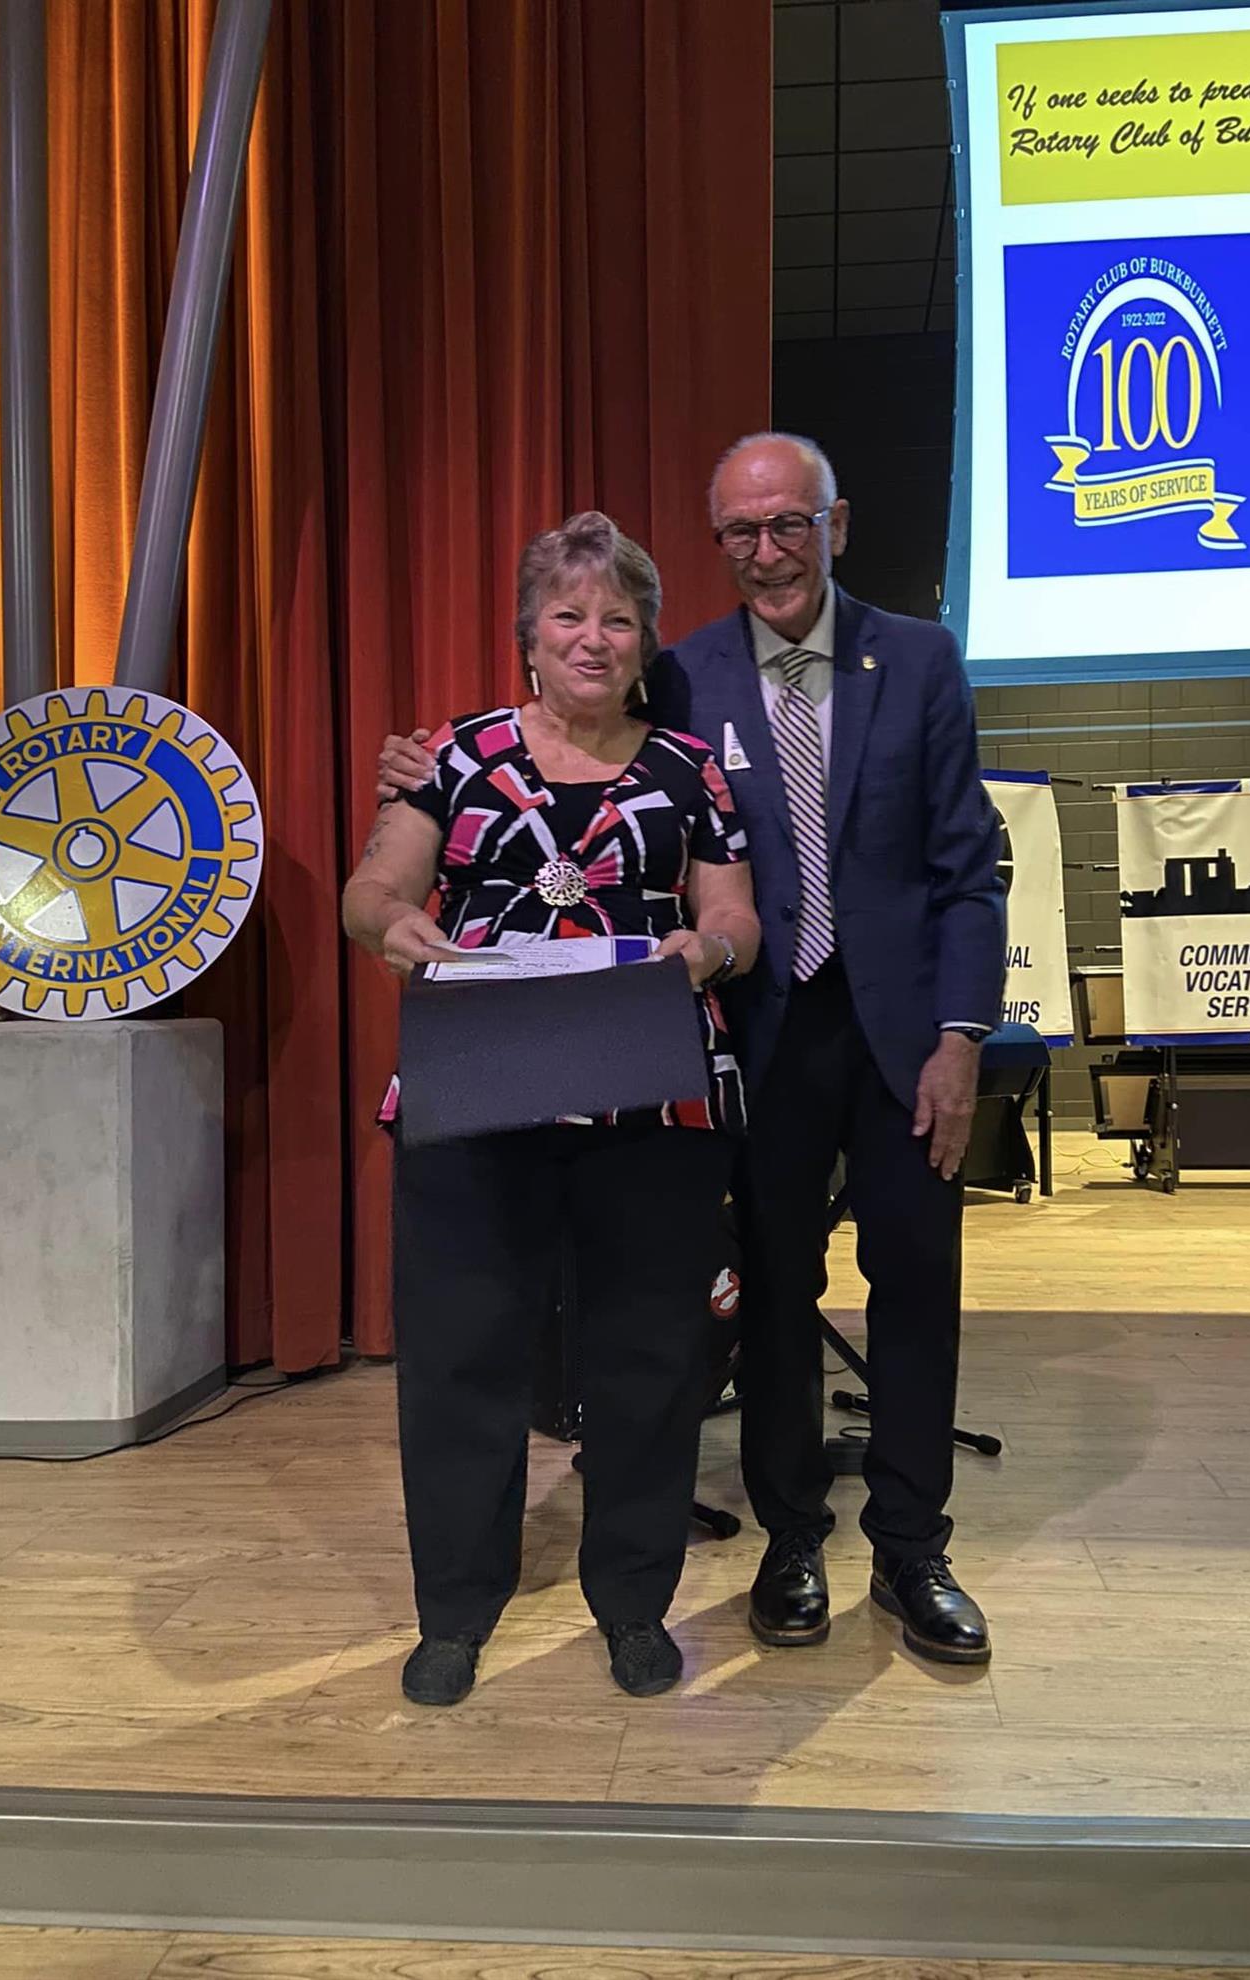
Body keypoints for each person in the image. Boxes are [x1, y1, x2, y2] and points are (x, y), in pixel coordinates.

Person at [378, 435, 1003, 1667]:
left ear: (836, 524)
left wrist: (961, 1036)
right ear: (719, 542)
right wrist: (418, 770)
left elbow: (968, 868)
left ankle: (912, 1549)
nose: (768, 552)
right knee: (771, 1293)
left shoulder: (921, 658)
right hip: (754, 1034)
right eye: (741, 532)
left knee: (918, 1286)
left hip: (900, 1037)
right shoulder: (683, 672)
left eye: (790, 524)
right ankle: (791, 1541)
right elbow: (566, 744)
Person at [345, 510, 760, 1709]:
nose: (592, 637)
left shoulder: (691, 769)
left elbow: (734, 914)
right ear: (529, 635)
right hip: (481, 1074)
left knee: (648, 1358)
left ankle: (632, 1602)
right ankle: (455, 1612)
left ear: (644, 644)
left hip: (651, 1087)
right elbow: (374, 888)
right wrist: (393, 924)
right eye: (568, 615)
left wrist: (708, 951)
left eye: (617, 619)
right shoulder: (455, 756)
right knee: (463, 1355)